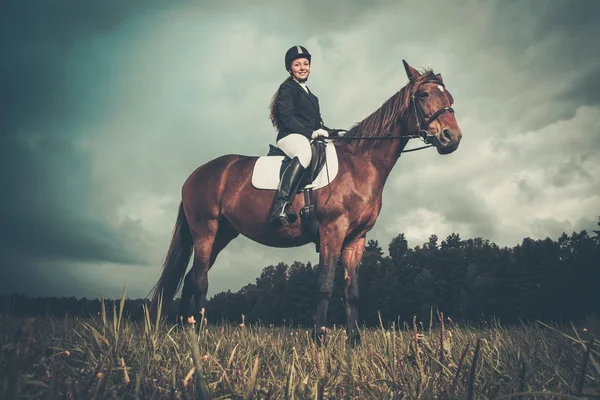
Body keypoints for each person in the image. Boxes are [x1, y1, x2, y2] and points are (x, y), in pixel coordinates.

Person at [267, 45, 331, 227]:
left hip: (306, 135)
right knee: (304, 154)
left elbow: (319, 124)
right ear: (290, 69)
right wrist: (310, 133)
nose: (303, 67)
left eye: (305, 63)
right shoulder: (287, 88)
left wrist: (336, 133)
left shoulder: (313, 97)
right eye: (297, 64)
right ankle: (280, 205)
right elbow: (287, 118)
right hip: (290, 136)